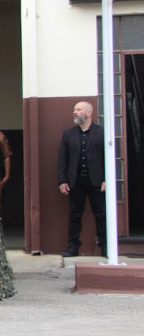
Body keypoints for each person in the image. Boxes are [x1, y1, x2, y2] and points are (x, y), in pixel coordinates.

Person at [57, 102, 107, 257]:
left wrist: (107, 179)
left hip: (97, 180)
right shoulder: (68, 134)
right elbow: (62, 159)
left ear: (89, 112)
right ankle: (73, 247)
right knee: (75, 214)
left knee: (101, 214)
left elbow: (108, 157)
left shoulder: (101, 132)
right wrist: (62, 181)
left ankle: (105, 246)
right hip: (76, 181)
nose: (75, 112)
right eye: (74, 110)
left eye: (78, 110)